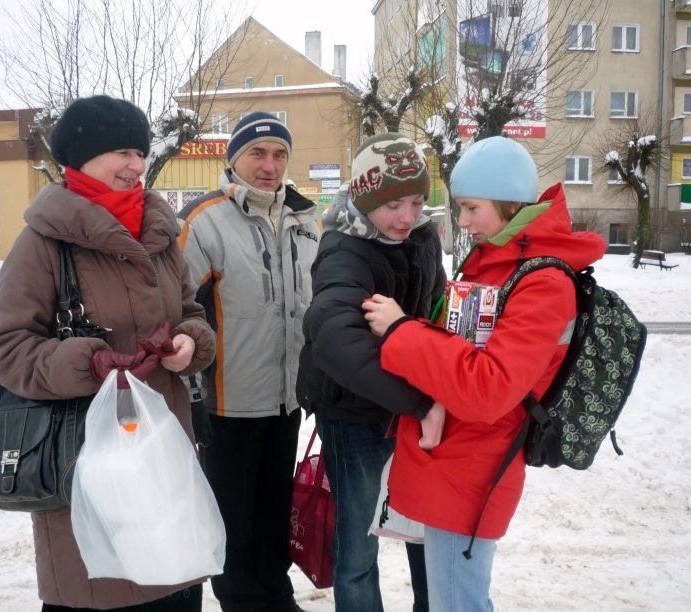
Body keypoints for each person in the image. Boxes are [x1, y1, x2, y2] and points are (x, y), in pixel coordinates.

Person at [0, 95, 217, 611]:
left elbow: (191, 314)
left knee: (172, 586)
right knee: (100, 590)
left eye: (141, 152)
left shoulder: (160, 234)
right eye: (123, 152)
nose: (137, 165)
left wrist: (190, 344)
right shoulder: (43, 243)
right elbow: (6, 348)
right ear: (82, 156)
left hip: (164, 453)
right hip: (86, 462)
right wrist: (86, 362)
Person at [362, 136, 607, 611]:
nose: (462, 221)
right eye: (460, 208)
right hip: (455, 459)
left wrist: (400, 332)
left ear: (507, 202)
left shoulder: (542, 282)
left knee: (457, 603)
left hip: (474, 467)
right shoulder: (495, 262)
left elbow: (488, 389)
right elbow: (459, 345)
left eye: (471, 207)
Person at [176, 112, 319, 612]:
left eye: (279, 154)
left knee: (274, 508)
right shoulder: (203, 221)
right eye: (258, 153)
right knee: (233, 517)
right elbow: (177, 308)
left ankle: (276, 596)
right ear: (233, 158)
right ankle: (240, 601)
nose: (269, 164)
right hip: (226, 402)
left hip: (285, 398)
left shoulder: (305, 220)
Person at [296, 132, 444, 612]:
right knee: (358, 546)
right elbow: (335, 339)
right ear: (363, 198)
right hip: (356, 415)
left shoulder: (421, 239)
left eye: (418, 201)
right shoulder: (345, 251)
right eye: (393, 203)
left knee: (427, 533)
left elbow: (437, 306)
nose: (407, 216)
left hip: (413, 410)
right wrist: (420, 400)